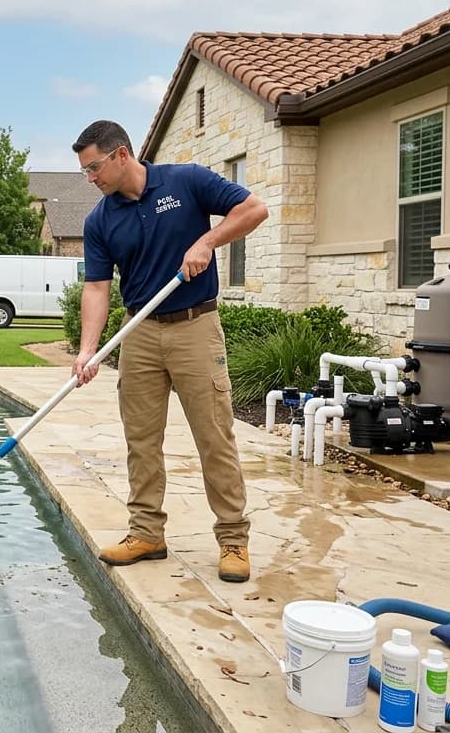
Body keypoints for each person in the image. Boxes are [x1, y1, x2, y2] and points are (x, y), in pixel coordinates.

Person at [70, 119, 267, 583]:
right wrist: (87, 350)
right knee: (141, 440)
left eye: (94, 167)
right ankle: (146, 534)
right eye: (85, 171)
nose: (91, 178)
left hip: (195, 326)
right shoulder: (100, 220)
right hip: (138, 331)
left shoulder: (186, 181)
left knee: (214, 435)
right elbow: (96, 288)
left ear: (121, 154)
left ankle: (233, 539)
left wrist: (208, 240)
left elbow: (254, 209)